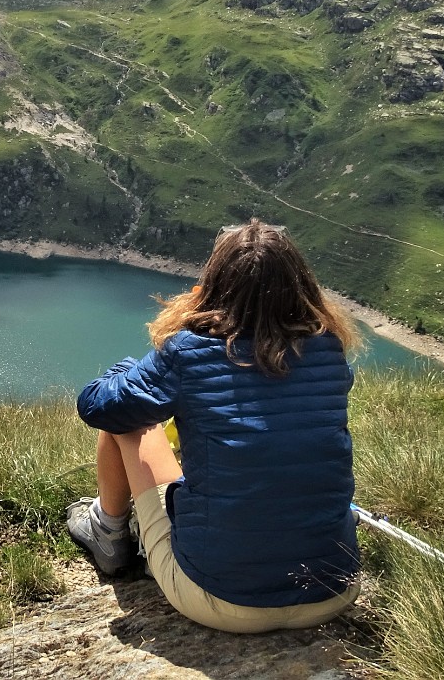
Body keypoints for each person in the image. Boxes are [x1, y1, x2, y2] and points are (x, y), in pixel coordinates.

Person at [68, 220, 362, 633]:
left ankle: (108, 533)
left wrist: (134, 369)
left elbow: (100, 407)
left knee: (130, 424)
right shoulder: (327, 349)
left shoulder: (188, 352)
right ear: (302, 288)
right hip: (333, 591)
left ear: (213, 286)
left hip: (222, 601)